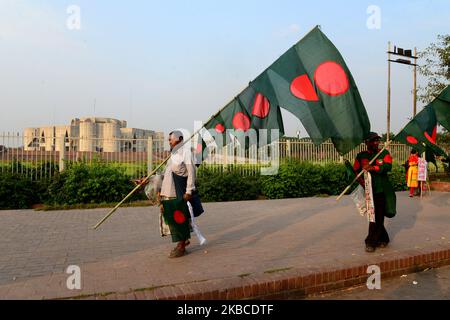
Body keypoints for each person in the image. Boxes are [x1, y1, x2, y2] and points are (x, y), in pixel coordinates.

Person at [157, 130, 200, 258]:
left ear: (179, 139)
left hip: (178, 193)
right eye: (169, 140)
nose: (169, 141)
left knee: (179, 219)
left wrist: (189, 191)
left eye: (171, 139)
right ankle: (183, 240)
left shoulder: (186, 153)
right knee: (171, 220)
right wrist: (146, 181)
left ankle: (181, 245)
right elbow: (165, 175)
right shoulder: (172, 155)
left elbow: (191, 172)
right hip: (168, 192)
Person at [353, 132, 397, 253]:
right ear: (366, 143)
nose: (376, 143)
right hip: (369, 191)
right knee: (374, 216)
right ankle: (384, 238)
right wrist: (361, 180)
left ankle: (370, 242)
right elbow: (355, 170)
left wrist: (374, 168)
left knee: (377, 216)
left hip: (381, 190)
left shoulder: (384, 153)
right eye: (373, 141)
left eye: (377, 140)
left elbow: (388, 166)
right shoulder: (361, 156)